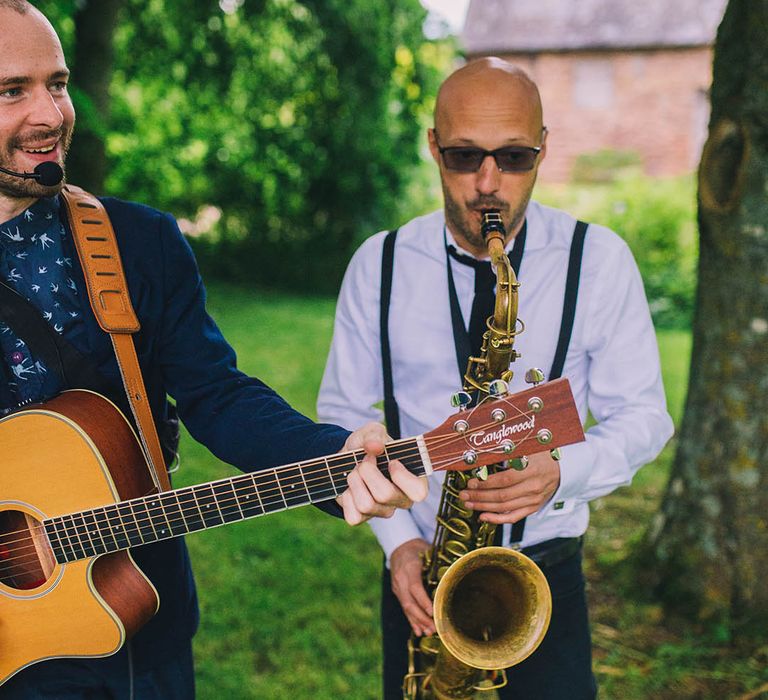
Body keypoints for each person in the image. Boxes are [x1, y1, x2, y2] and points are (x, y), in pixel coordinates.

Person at [0, 2, 427, 698]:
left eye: (58, 82)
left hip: (139, 626)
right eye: (12, 90)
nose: (49, 113)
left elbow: (217, 396)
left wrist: (335, 457)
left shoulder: (139, 244)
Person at [318, 57, 674, 699]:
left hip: (544, 573)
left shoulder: (599, 261)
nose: (489, 184)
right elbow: (343, 406)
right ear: (433, 146)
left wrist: (564, 470)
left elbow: (645, 416)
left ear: (543, 149)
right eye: (463, 156)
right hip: (423, 568)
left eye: (514, 158)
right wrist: (397, 542)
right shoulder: (380, 263)